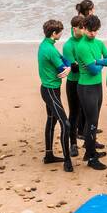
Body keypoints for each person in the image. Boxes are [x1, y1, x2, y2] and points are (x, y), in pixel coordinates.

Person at [72, 14, 107, 169]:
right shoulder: (81, 46)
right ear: (84, 28)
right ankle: (91, 158)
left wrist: (98, 61)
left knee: (94, 120)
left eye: (96, 31)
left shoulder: (99, 43)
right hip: (86, 87)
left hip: (96, 87)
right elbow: (94, 70)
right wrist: (101, 63)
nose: (93, 33)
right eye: (90, 31)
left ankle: (90, 151)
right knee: (91, 122)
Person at [37, 19, 74, 172]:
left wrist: (69, 67)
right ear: (54, 33)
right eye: (60, 32)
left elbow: (65, 61)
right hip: (51, 90)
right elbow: (61, 68)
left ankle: (49, 155)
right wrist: (68, 68)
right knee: (65, 124)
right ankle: (67, 160)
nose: (61, 34)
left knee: (51, 121)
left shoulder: (46, 44)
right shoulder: (50, 50)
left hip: (48, 89)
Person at [62, 13, 87, 154]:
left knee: (89, 113)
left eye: (84, 27)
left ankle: (90, 141)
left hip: (86, 83)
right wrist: (89, 64)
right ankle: (73, 143)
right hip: (73, 82)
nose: (83, 30)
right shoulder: (68, 45)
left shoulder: (87, 41)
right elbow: (74, 68)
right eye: (80, 28)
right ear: (73, 28)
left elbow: (94, 58)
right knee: (74, 113)